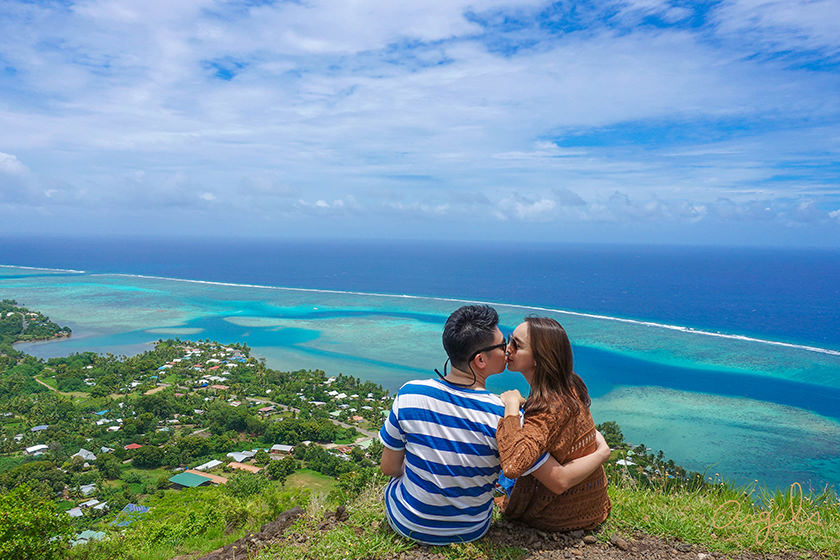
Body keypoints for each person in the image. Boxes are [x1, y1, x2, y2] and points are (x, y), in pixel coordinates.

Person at [379, 305, 610, 545]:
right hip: (471, 529)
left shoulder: (410, 394)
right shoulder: (503, 416)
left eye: (513, 345)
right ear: (480, 360)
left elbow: (389, 468)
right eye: (503, 344)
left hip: (406, 523)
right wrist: (602, 453)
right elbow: (552, 475)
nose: (507, 350)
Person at [497, 316, 611, 531]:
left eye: (517, 345)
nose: (508, 349)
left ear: (539, 358)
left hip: (556, 516)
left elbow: (514, 465)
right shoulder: (569, 385)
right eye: (510, 340)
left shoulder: (548, 409)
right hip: (592, 505)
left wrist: (511, 406)